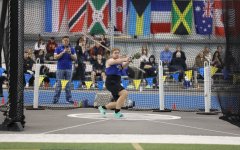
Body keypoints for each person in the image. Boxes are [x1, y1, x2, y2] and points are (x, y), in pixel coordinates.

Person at [98, 48, 131, 118]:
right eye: (115, 53)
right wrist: (125, 59)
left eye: (118, 53)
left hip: (117, 82)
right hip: (111, 82)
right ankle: (117, 113)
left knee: (119, 103)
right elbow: (117, 61)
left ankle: (103, 108)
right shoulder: (109, 61)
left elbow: (123, 66)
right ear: (111, 54)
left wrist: (128, 61)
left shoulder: (119, 62)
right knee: (124, 93)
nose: (117, 54)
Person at [52, 36, 77, 104]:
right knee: (58, 85)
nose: (66, 42)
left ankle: (68, 99)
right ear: (62, 41)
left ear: (69, 41)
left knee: (68, 85)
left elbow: (75, 58)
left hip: (69, 69)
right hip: (60, 69)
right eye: (65, 40)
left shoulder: (72, 49)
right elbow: (55, 57)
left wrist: (70, 53)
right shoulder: (58, 48)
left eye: (67, 41)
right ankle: (55, 100)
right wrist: (63, 52)